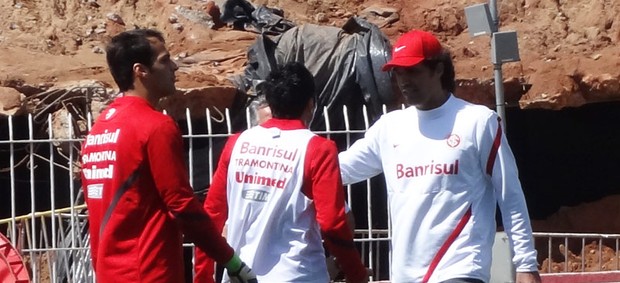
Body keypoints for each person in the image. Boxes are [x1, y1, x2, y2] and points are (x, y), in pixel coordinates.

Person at [338, 29, 542, 283]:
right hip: (405, 275)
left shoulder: (478, 122)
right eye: (398, 72)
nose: (404, 80)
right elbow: (335, 171)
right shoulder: (389, 128)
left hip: (460, 269)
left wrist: (525, 264)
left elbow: (510, 195)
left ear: (439, 70)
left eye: (413, 71)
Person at [80, 28, 256, 283]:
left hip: (109, 273)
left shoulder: (99, 130)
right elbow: (181, 204)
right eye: (164, 60)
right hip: (148, 271)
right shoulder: (155, 126)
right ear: (141, 70)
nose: (174, 66)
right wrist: (231, 260)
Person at [194, 61, 368, 283]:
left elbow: (212, 214)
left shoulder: (237, 143)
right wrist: (356, 273)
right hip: (298, 275)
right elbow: (333, 222)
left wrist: (202, 276)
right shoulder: (317, 149)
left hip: (242, 275)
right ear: (310, 105)